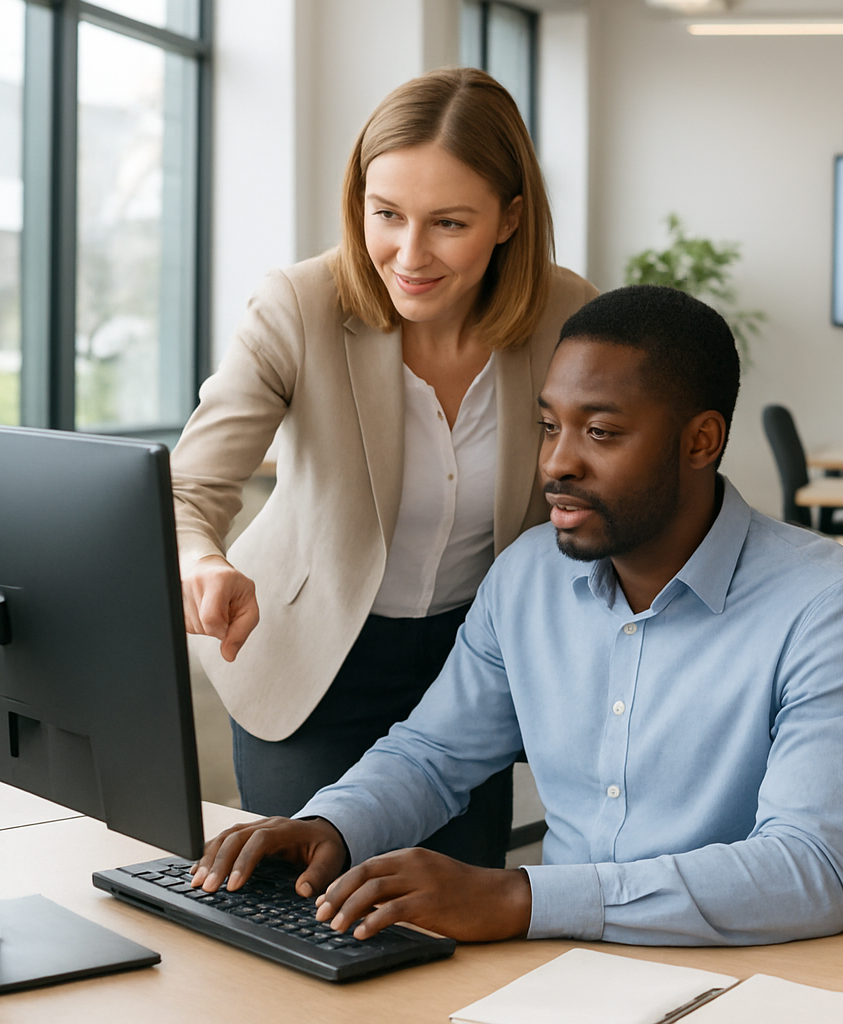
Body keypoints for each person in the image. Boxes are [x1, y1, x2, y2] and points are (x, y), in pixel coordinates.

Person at [187, 285, 843, 946]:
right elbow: (433, 756)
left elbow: (813, 871)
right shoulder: (528, 577)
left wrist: (523, 899)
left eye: (600, 433)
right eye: (547, 425)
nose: (556, 464)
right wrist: (330, 826)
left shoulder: (834, 609)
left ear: (701, 441)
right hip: (550, 979)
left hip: (743, 979)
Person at [169, 68, 597, 869]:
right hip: (311, 657)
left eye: (449, 223)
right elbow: (190, 489)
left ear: (509, 219)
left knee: (448, 915)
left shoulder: (567, 318)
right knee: (304, 908)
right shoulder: (298, 305)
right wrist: (201, 560)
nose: (410, 254)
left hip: (470, 671)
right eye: (387, 215)